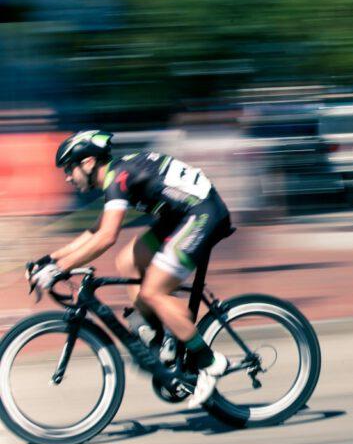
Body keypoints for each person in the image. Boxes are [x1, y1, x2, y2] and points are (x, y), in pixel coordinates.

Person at [27, 130, 233, 407]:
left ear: (88, 163)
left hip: (202, 214)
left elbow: (107, 236)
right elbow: (96, 231)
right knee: (128, 261)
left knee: (153, 292)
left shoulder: (118, 177)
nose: (67, 177)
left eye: (69, 168)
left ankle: (210, 362)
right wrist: (52, 259)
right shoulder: (117, 176)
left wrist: (60, 268)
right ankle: (164, 337)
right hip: (181, 215)